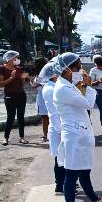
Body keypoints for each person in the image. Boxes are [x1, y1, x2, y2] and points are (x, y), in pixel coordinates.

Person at [53, 52, 102, 202]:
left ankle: (93, 199)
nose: (80, 70)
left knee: (84, 169)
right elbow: (87, 104)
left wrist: (82, 85)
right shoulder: (63, 88)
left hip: (80, 133)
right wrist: (89, 86)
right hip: (74, 136)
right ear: (68, 69)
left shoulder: (69, 84)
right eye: (78, 67)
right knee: (71, 174)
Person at [39, 61, 65, 194]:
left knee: (63, 158)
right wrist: (62, 130)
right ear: (53, 74)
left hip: (58, 127)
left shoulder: (53, 86)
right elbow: (55, 113)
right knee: (60, 159)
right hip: (58, 128)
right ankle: (60, 186)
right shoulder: (50, 89)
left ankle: (63, 184)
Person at [0, 50, 29, 146]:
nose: (17, 59)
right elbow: (0, 84)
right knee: (10, 116)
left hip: (21, 95)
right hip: (9, 95)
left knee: (21, 116)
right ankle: (6, 138)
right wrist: (11, 77)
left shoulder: (19, 69)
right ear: (10, 58)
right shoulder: (1, 68)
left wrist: (23, 78)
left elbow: (22, 85)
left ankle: (22, 137)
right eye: (16, 58)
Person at [32, 57, 49, 142]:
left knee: (52, 116)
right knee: (44, 117)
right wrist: (33, 82)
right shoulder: (38, 74)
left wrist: (39, 84)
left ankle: (57, 133)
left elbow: (50, 83)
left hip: (48, 96)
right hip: (41, 98)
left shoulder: (48, 73)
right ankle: (45, 135)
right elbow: (35, 84)